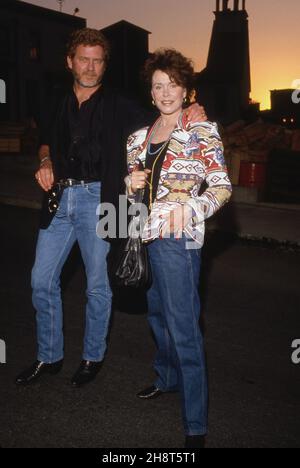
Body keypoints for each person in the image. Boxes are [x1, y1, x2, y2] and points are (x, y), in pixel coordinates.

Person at [15, 29, 207, 388]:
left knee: (98, 286)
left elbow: (162, 120)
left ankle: (91, 356)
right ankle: (49, 355)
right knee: (40, 280)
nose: (90, 67)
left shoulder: (121, 104)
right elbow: (45, 141)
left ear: (105, 65)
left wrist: (191, 109)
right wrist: (44, 160)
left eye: (97, 60)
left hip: (104, 199)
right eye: (83, 59)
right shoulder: (56, 101)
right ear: (70, 62)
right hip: (59, 198)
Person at [126, 49, 232, 448]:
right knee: (156, 313)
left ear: (186, 90)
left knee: (184, 328)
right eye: (158, 85)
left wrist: (188, 210)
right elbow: (133, 189)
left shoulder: (201, 131)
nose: (165, 91)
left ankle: (195, 426)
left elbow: (221, 188)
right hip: (142, 235)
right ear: (150, 93)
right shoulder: (138, 138)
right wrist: (128, 184)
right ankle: (166, 379)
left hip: (179, 239)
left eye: (173, 84)